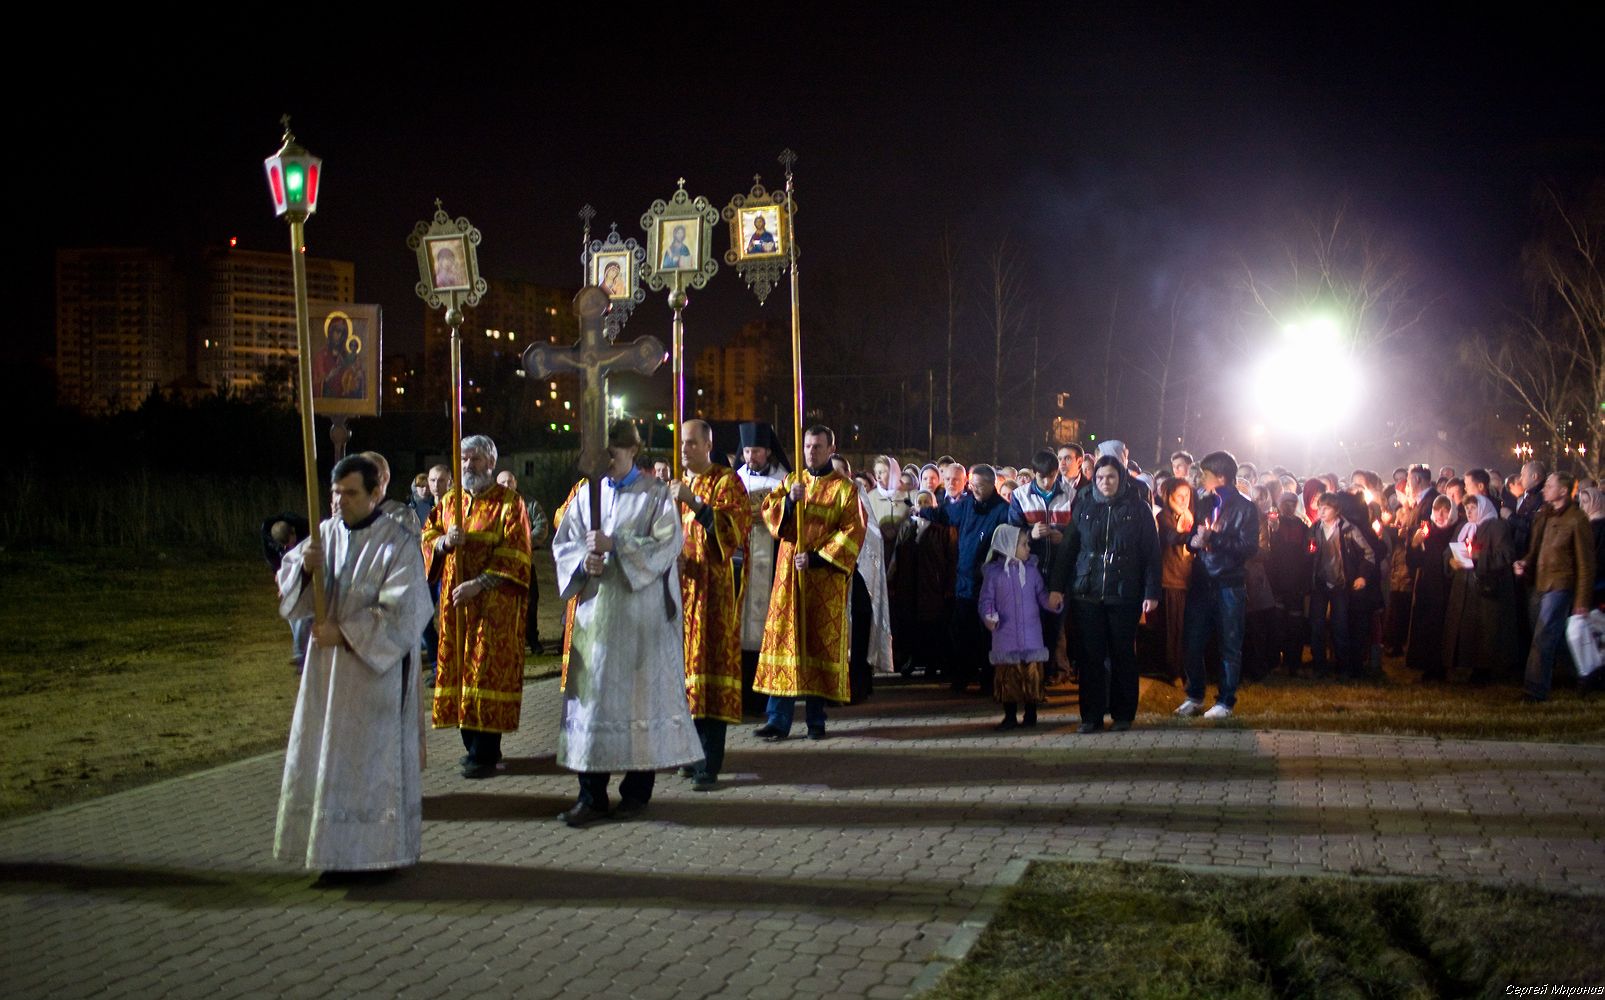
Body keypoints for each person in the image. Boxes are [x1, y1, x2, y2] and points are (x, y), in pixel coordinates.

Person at [274, 455, 434, 881]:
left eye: (350, 493)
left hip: (372, 676)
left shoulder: (397, 542)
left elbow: (405, 612)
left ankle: (376, 854)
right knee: (328, 756)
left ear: (376, 492)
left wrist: (344, 633)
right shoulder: (323, 535)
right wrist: (305, 570)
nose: (340, 501)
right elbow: (291, 590)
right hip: (327, 676)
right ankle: (331, 852)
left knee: (368, 763)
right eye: (335, 493)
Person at [551, 420, 702, 825]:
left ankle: (636, 793)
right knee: (593, 704)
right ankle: (591, 796)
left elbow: (669, 542)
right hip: (597, 618)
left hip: (640, 617)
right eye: (602, 455)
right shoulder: (587, 495)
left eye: (614, 454)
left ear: (632, 451)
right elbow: (565, 542)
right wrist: (584, 560)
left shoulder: (654, 494)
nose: (608, 462)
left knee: (639, 700)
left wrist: (617, 545)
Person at [422, 435, 532, 779]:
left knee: (485, 672)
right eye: (464, 459)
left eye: (475, 459)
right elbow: (427, 536)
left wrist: (479, 584)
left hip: (493, 608)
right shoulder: (450, 502)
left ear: (491, 463)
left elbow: (516, 554)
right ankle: (470, 745)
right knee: (458, 670)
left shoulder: (509, 503)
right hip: (456, 608)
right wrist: (443, 543)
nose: (468, 465)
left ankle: (485, 752)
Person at [753, 425, 866, 740]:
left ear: (831, 449)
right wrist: (790, 502)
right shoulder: (792, 480)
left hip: (823, 579)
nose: (811, 452)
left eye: (817, 446)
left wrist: (817, 558)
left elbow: (853, 530)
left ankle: (816, 720)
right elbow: (769, 514)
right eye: (806, 446)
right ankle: (778, 719)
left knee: (816, 645)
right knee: (785, 642)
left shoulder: (846, 489)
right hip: (789, 575)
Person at [1049, 455, 1161, 732]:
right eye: (1099, 477)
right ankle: (1091, 716)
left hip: (1125, 593)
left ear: (1121, 478)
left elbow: (1151, 553)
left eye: (1110, 476)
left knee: (1123, 654)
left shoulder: (1138, 508)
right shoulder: (1085, 506)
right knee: (1090, 656)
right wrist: (1056, 587)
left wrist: (1151, 591)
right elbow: (1069, 549)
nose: (1104, 482)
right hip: (1087, 592)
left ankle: (1123, 715)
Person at [672, 420, 750, 789]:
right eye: (681, 443)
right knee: (680, 678)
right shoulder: (674, 485)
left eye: (691, 443)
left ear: (707, 445)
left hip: (711, 594)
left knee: (709, 673)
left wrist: (695, 503)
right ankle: (687, 753)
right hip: (677, 594)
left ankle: (708, 761)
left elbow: (733, 531)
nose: (684, 449)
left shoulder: (726, 481)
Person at [1175, 450, 1261, 720]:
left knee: (1229, 643)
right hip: (1202, 581)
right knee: (1192, 641)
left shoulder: (1246, 507)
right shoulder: (1203, 502)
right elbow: (1192, 536)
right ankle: (1195, 695)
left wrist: (1216, 539)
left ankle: (1225, 700)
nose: (1201, 479)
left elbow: (1249, 548)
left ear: (1221, 476)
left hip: (1229, 583)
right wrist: (1193, 542)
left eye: (1206, 475)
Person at [916, 463, 1013, 693]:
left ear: (992, 485)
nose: (975, 490)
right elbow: (945, 514)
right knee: (962, 630)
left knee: (988, 633)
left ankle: (989, 680)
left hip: (989, 582)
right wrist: (922, 511)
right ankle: (962, 676)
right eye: (972, 485)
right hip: (964, 580)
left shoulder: (1003, 510)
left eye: (979, 486)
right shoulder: (967, 504)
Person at [1515, 472, 1596, 702]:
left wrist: (1581, 600)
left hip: (1560, 584)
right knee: (1552, 637)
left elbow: (1586, 563)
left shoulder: (1577, 519)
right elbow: (1537, 548)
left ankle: (1534, 690)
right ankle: (1584, 674)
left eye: (1549, 485)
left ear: (1563, 490)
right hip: (1539, 583)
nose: (1544, 489)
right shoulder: (1544, 516)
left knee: (1543, 636)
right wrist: (1525, 562)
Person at [735, 423, 790, 713]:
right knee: (743, 627)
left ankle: (768, 697)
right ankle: (742, 694)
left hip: (772, 560)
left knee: (770, 626)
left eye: (755, 450)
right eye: (746, 450)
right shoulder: (737, 479)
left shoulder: (784, 481)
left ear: (768, 451)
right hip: (743, 561)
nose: (750, 456)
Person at [979, 525, 1054, 730]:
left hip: (1031, 636)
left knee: (1031, 675)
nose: (1028, 548)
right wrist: (989, 615)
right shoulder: (994, 574)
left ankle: (1031, 714)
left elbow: (1041, 595)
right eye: (1024, 544)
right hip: (1006, 635)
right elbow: (986, 600)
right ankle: (1010, 715)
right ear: (1008, 546)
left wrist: (1053, 603)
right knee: (1008, 677)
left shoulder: (1031, 571)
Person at [1442, 494, 1520, 683]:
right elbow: (1449, 551)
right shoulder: (1463, 528)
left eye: (1473, 508)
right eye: (1466, 508)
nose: (1468, 511)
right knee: (1466, 629)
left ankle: (1485, 669)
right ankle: (1464, 665)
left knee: (1485, 631)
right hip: (1464, 587)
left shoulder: (1496, 526)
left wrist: (1479, 557)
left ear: (1483, 508)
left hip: (1486, 589)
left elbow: (1505, 554)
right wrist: (1450, 561)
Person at [1307, 491, 1382, 679]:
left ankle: (1343, 666)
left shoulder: (1348, 530)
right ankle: (1319, 665)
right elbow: (1309, 553)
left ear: (1336, 509)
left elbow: (1368, 553)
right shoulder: (1315, 529)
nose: (1321, 511)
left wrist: (1362, 576)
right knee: (1317, 625)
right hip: (1320, 583)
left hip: (1340, 584)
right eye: (1320, 507)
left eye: (1326, 508)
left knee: (1340, 626)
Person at [1405, 495, 1456, 679]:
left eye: (1445, 510)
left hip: (1448, 586)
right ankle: (1427, 664)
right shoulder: (1426, 531)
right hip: (1427, 584)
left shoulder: (1457, 530)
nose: (1441, 515)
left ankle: (1442, 666)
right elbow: (1412, 562)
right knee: (1428, 625)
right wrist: (1414, 544)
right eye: (1437, 510)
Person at [1155, 477, 1196, 682]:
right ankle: (1172, 670)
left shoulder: (1189, 517)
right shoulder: (1164, 516)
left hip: (1187, 577)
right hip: (1171, 577)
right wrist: (1193, 538)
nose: (1184, 500)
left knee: (1186, 627)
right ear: (1169, 496)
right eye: (1179, 495)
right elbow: (1172, 537)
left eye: (1187, 495)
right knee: (1173, 627)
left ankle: (1184, 667)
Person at [419, 464, 452, 682]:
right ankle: (434, 663)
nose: (436, 485)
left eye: (441, 480)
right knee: (422, 618)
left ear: (449, 482)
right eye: (432, 480)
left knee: (447, 619)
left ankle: (447, 666)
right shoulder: (420, 508)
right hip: (426, 571)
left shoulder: (457, 504)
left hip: (449, 571)